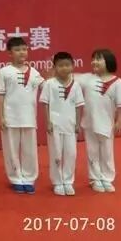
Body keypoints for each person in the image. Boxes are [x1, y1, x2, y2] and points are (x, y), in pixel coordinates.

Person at [0, 37, 44, 194]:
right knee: (11, 149)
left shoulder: (34, 72)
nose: (21, 52)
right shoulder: (4, 72)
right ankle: (16, 178)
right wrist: (1, 117)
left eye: (24, 49)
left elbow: (47, 87)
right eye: (17, 50)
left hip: (29, 117)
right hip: (10, 117)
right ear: (9, 53)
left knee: (30, 150)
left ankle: (29, 178)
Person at [76, 49, 121, 193]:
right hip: (89, 123)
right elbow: (70, 77)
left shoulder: (117, 82)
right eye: (93, 59)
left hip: (106, 124)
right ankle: (95, 179)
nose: (94, 62)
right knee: (92, 152)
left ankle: (107, 178)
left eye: (99, 59)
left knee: (107, 152)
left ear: (108, 61)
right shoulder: (87, 78)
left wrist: (120, 121)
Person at [40, 52, 84, 196]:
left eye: (67, 65)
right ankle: (58, 182)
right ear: (54, 67)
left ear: (72, 66)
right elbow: (45, 104)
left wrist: (78, 123)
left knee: (71, 154)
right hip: (55, 125)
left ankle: (68, 181)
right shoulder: (49, 84)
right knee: (56, 154)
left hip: (70, 125)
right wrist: (48, 122)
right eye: (60, 65)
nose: (64, 68)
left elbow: (78, 106)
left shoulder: (76, 85)